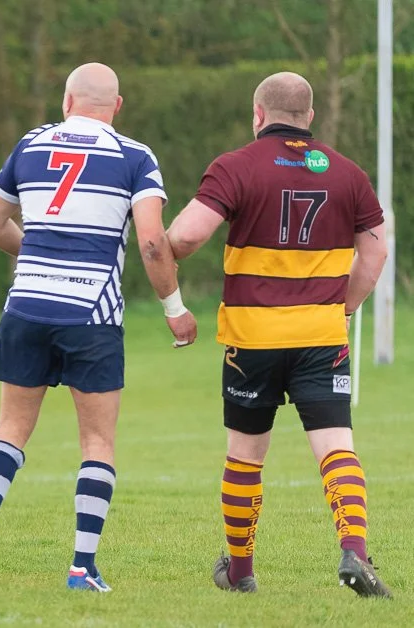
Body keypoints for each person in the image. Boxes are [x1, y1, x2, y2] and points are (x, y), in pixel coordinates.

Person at [0, 63, 195, 593]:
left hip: (26, 307)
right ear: (118, 106)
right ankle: (82, 567)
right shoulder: (135, 157)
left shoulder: (31, 144)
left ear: (66, 101)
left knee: (10, 428)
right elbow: (152, 242)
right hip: (91, 314)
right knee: (97, 440)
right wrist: (175, 308)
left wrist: (35, 255)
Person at [166, 72, 391, 598]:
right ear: (310, 117)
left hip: (254, 339)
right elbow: (376, 252)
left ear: (257, 113)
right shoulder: (348, 173)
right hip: (321, 335)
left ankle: (240, 571)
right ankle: (355, 552)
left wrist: (162, 247)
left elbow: (186, 237)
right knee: (337, 448)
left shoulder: (236, 166)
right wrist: (347, 308)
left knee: (246, 454)